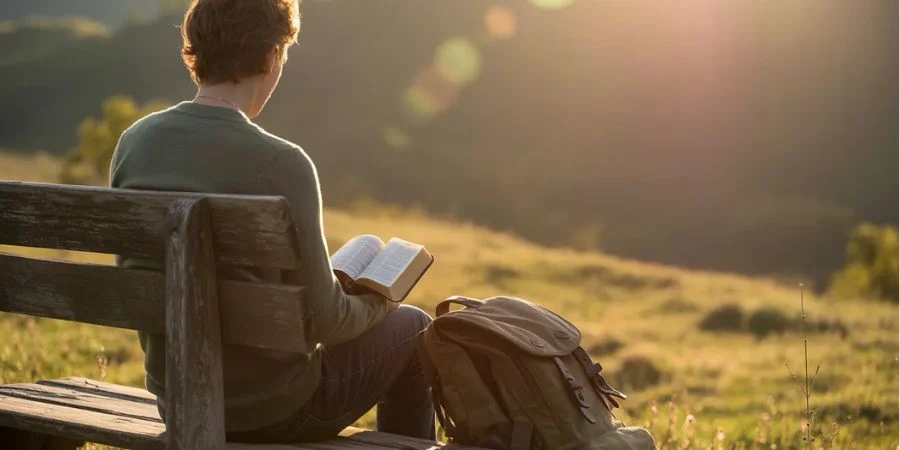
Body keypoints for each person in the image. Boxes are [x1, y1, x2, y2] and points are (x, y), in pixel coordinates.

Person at [109, 0, 435, 443]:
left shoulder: (134, 143)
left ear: (196, 49)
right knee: (413, 327)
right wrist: (383, 300)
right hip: (273, 410)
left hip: (178, 399)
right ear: (272, 55)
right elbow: (328, 323)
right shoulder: (283, 163)